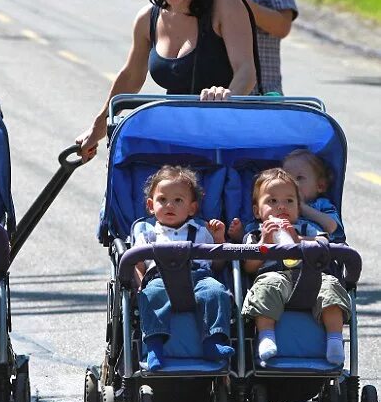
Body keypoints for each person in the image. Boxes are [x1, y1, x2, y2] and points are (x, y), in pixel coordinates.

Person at [76, 0, 258, 162]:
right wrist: (96, 130)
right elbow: (130, 76)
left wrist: (223, 100)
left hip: (225, 141)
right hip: (176, 140)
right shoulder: (147, 19)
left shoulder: (224, 2)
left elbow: (246, 71)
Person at [241, 168, 350, 365]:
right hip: (275, 276)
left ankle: (334, 339)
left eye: (289, 201)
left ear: (298, 208)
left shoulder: (306, 227)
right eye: (272, 201)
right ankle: (266, 336)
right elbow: (249, 267)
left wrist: (297, 239)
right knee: (264, 288)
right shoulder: (255, 233)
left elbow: (323, 244)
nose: (281, 206)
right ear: (257, 211)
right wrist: (264, 243)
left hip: (312, 277)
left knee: (331, 287)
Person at [134, 166, 234, 371]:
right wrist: (138, 284)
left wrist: (219, 239)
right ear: (151, 205)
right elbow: (136, 263)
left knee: (217, 292)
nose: (169, 205)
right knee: (150, 295)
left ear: (192, 208)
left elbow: (218, 265)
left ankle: (212, 341)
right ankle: (154, 347)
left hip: (199, 277)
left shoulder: (202, 230)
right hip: (159, 278)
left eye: (178, 200)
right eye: (163, 200)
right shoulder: (146, 232)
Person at [282, 149, 345, 243]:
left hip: (315, 249)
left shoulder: (321, 204)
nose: (292, 184)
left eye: (299, 178)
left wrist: (303, 209)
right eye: (287, 179)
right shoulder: (281, 202)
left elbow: (331, 226)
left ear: (320, 186)